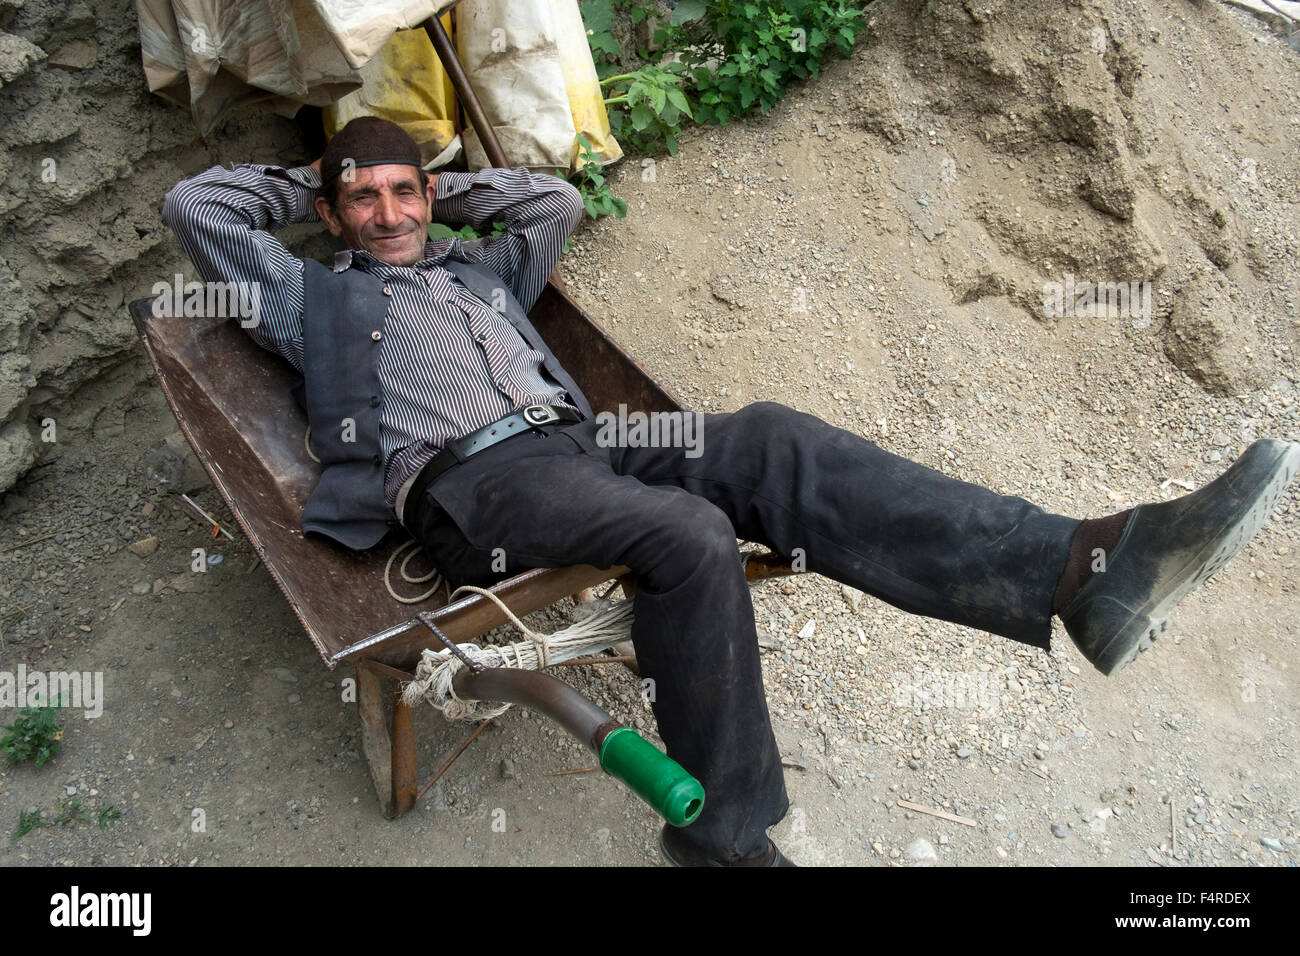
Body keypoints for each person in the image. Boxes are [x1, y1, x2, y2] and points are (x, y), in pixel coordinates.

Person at [162, 117, 1299, 867]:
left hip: (585, 440)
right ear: (331, 216)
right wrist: (319, 177)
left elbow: (551, 201)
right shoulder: (304, 297)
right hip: (472, 487)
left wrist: (444, 178)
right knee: (687, 533)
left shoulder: (477, 263)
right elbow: (193, 211)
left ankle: (1081, 569)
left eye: (406, 193)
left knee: (765, 438)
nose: (392, 214)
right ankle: (728, 843)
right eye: (366, 201)